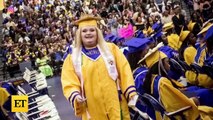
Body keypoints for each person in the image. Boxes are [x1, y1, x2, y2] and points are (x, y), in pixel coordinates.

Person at [61, 14, 138, 120]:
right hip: (92, 108)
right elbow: (69, 81)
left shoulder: (111, 49)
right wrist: (76, 95)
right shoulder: (73, 58)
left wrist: (130, 91)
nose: (88, 33)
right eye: (84, 31)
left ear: (97, 32)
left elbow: (124, 70)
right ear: (79, 34)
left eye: (92, 30)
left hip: (116, 103)